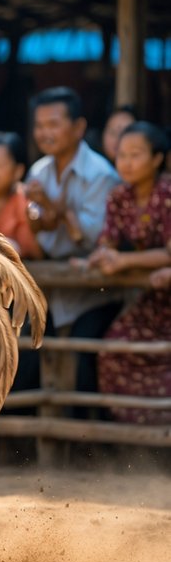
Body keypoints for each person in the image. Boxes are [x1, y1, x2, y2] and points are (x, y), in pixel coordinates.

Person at [17, 87, 123, 416]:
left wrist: (54, 210)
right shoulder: (38, 172)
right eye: (40, 125)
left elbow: (93, 238)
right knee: (24, 355)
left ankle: (92, 446)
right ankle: (17, 442)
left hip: (94, 289)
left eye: (54, 123)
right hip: (49, 283)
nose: (45, 132)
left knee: (83, 361)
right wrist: (42, 214)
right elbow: (35, 228)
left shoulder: (100, 175)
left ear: (78, 127)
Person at [88, 122, 171, 425]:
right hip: (151, 301)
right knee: (114, 351)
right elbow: (107, 240)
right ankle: (138, 441)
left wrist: (123, 261)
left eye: (136, 154)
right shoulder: (118, 196)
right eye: (122, 154)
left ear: (157, 158)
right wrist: (101, 257)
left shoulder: (168, 193)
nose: (126, 162)